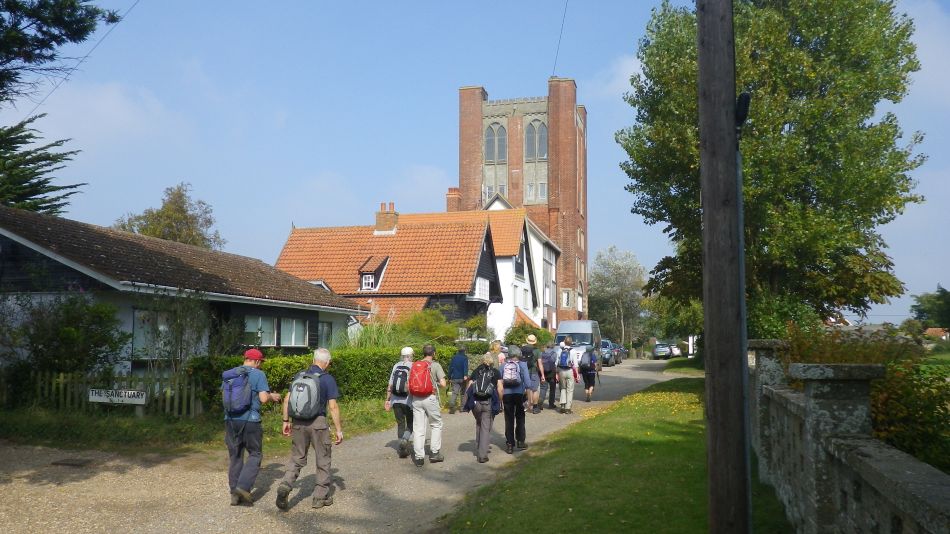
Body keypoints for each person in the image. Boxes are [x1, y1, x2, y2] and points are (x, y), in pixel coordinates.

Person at [275, 348, 343, 511]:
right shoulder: (327, 379)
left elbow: (287, 400)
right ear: (326, 363)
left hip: (298, 422)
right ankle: (320, 497)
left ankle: (286, 484)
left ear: (313, 360)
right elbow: (332, 407)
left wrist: (286, 421)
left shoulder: (299, 376)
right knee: (323, 458)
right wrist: (338, 430)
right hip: (318, 423)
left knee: (297, 458)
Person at [224, 348, 282, 506]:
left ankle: (234, 493)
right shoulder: (258, 374)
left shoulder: (230, 374)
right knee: (255, 454)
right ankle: (242, 487)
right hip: (250, 420)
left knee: (235, 456)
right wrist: (273, 396)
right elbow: (263, 399)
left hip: (230, 420)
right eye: (260, 362)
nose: (261, 365)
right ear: (256, 361)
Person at [410, 343, 447, 466]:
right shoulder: (435, 365)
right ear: (434, 353)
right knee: (436, 424)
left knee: (418, 428)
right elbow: (443, 384)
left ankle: (419, 458)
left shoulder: (415, 365)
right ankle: (434, 453)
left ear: (423, 353)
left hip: (416, 398)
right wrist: (435, 381)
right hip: (430, 398)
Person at [462, 353, 503, 463]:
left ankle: (480, 446)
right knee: (486, 427)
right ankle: (482, 454)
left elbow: (469, 387)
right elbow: (500, 389)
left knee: (479, 423)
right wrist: (500, 401)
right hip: (488, 402)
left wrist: (465, 403)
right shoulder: (495, 372)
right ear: (492, 362)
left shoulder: (476, 371)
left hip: (476, 403)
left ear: (482, 361)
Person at [384, 346, 415, 458]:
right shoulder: (413, 366)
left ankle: (401, 449)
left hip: (395, 400)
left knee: (400, 423)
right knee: (411, 424)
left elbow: (390, 385)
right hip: (408, 400)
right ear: (411, 355)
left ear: (402, 355)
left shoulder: (396, 365)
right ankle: (404, 440)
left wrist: (387, 400)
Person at [501, 345, 531, 454]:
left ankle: (510, 444)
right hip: (519, 395)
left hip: (506, 395)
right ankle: (521, 441)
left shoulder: (503, 365)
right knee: (520, 418)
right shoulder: (523, 365)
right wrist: (530, 401)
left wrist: (500, 398)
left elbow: (499, 383)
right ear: (518, 354)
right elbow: (527, 383)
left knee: (508, 419)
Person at [556, 337, 579, 414]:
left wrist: (557, 373)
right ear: (571, 342)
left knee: (562, 388)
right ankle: (568, 408)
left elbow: (556, 363)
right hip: (570, 371)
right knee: (570, 390)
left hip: (561, 371)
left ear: (564, 342)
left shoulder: (560, 350)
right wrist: (577, 374)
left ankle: (562, 407)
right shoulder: (573, 351)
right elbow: (575, 364)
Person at [520, 334, 542, 413]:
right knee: (535, 390)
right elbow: (540, 363)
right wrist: (542, 374)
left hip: (523, 371)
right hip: (534, 371)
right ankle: (535, 407)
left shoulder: (522, 349)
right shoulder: (537, 351)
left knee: (525, 388)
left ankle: (524, 405)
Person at [447, 344, 469, 414]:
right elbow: (465, 367)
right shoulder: (465, 358)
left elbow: (451, 368)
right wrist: (465, 375)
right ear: (464, 351)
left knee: (454, 393)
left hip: (455, 378)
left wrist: (449, 377)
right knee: (463, 393)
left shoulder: (454, 357)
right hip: (462, 378)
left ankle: (452, 408)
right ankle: (462, 408)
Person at [539, 342, 558, 410]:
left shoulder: (542, 353)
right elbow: (555, 363)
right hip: (552, 373)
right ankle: (551, 404)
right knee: (552, 389)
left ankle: (540, 403)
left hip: (543, 372)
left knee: (543, 388)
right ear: (553, 346)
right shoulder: (554, 353)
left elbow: (540, 362)